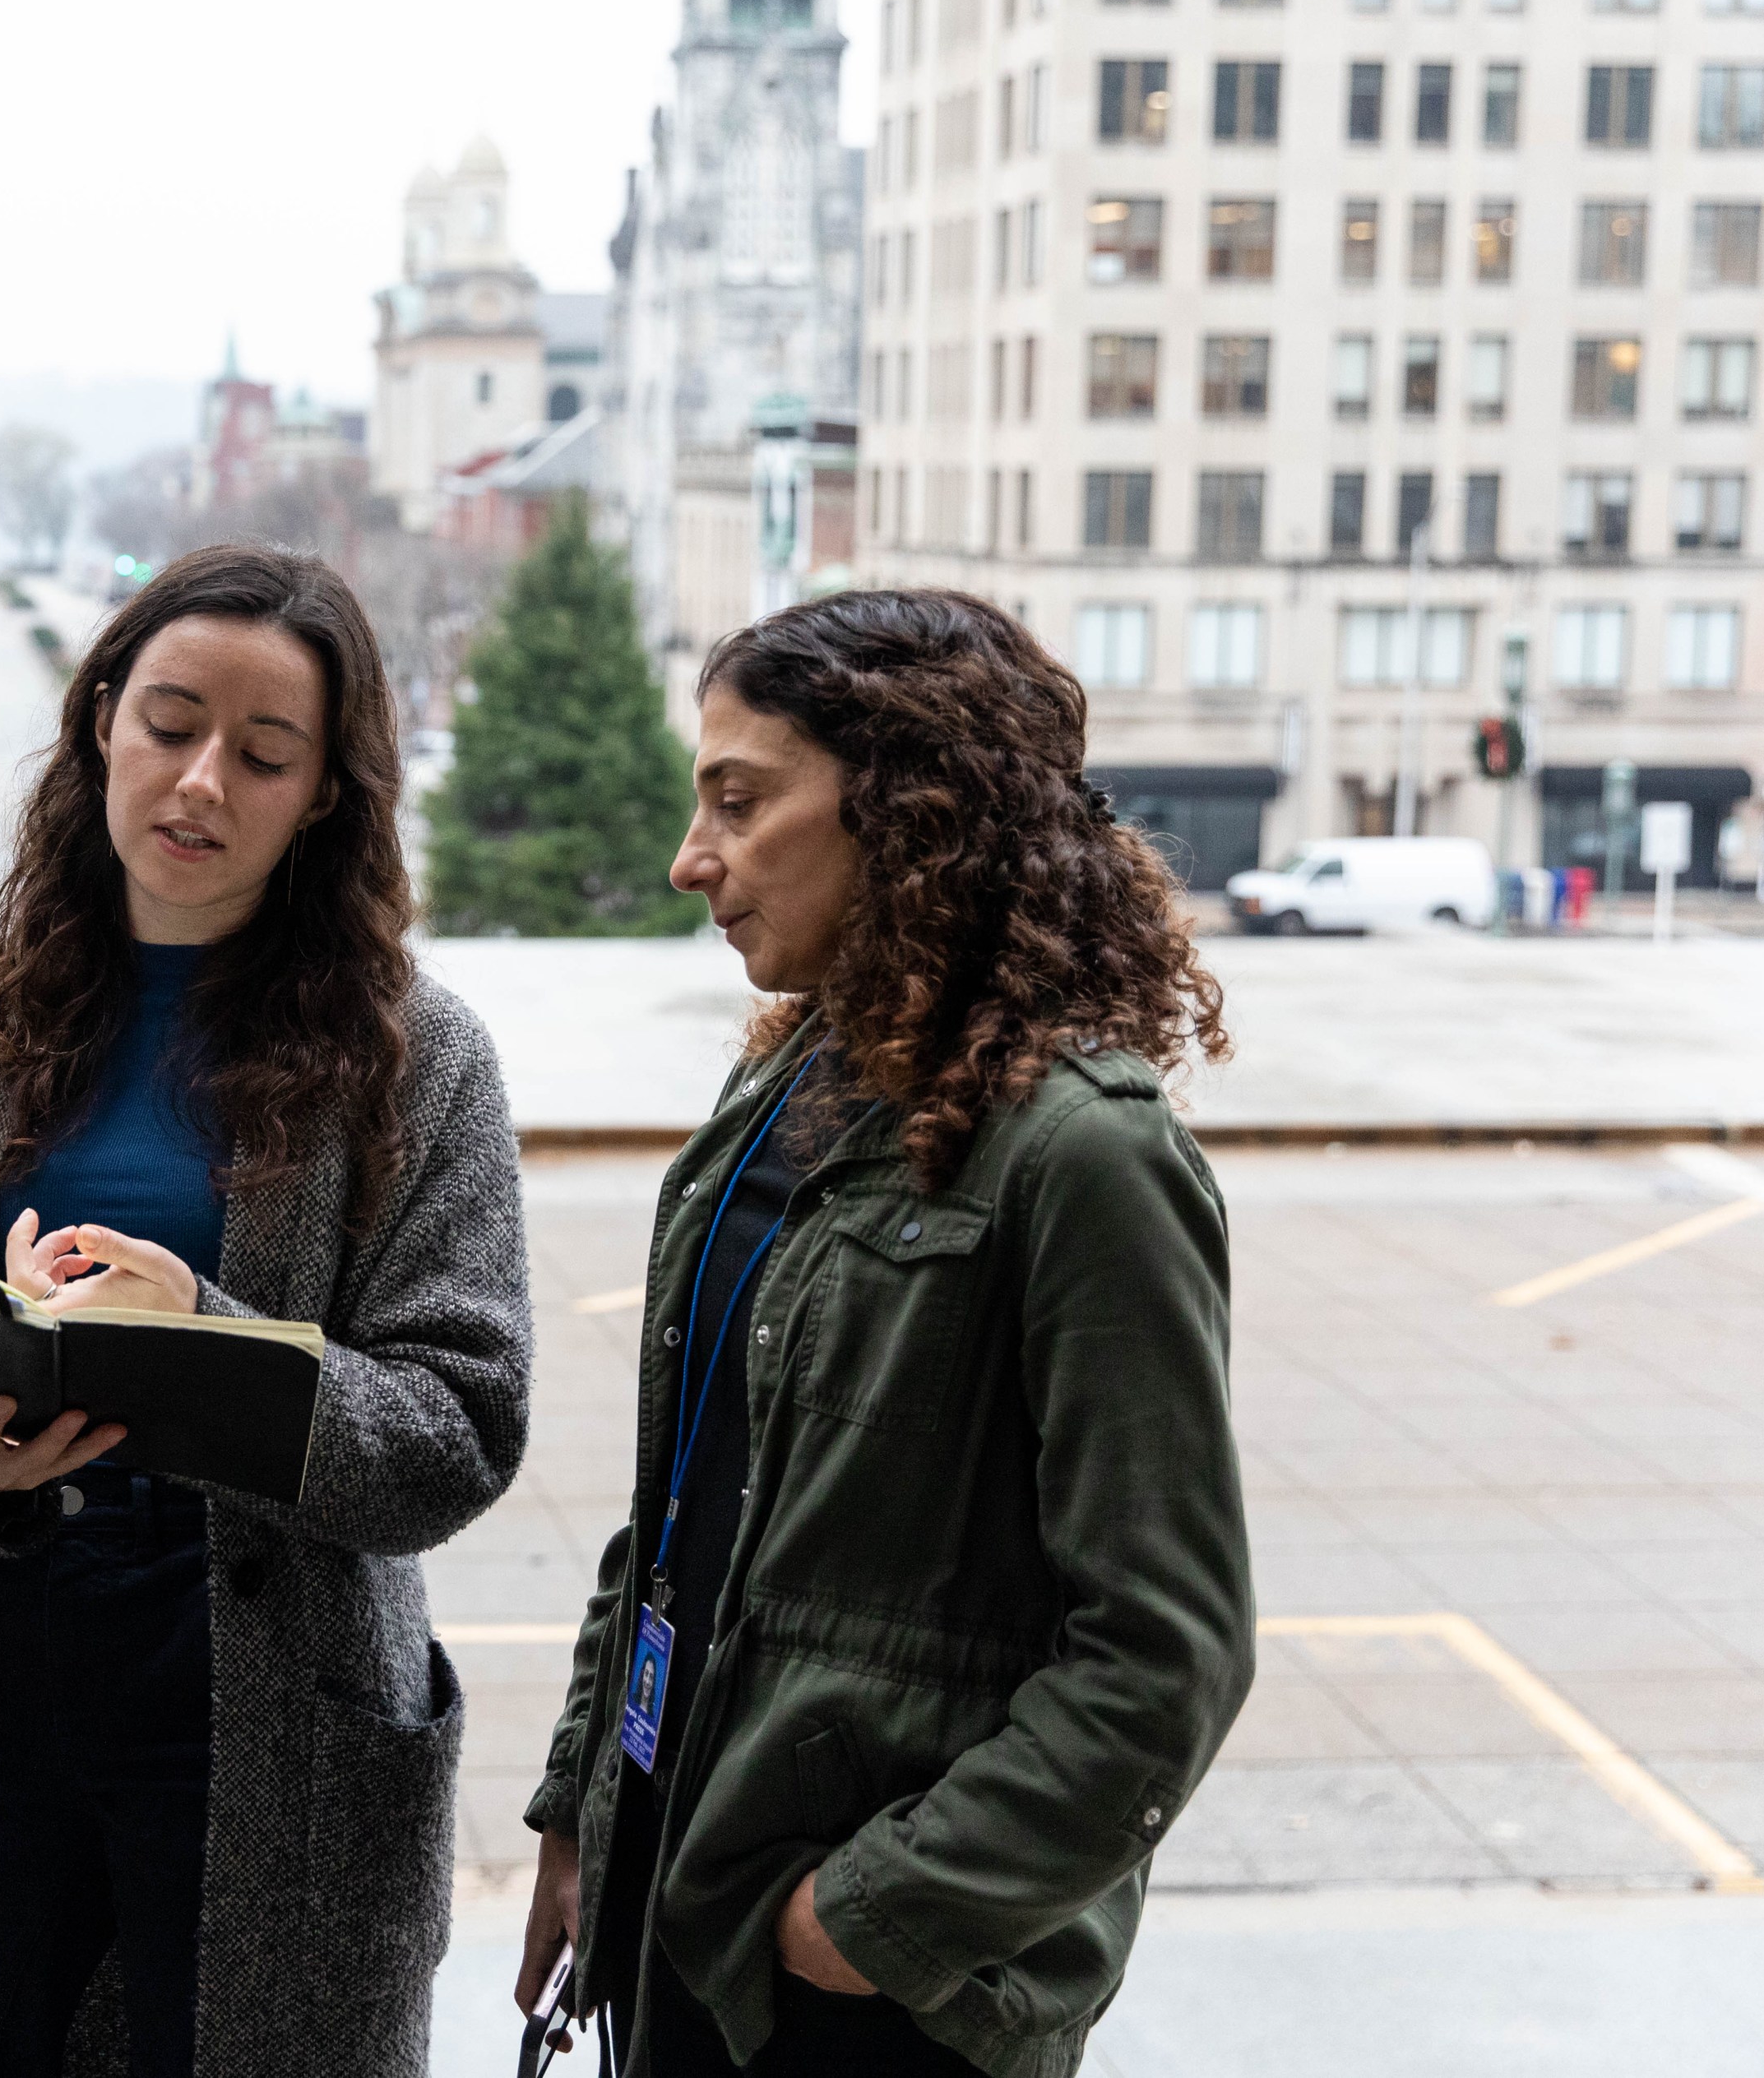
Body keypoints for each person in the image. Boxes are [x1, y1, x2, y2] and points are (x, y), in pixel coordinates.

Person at [0, 546, 535, 2078]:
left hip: (268, 1699)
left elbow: (463, 1424)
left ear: (323, 796)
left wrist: (213, 1344)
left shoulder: (417, 1058)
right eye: (168, 722)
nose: (199, 782)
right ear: (100, 717)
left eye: (262, 754)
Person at [515, 589, 1255, 2076]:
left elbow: (1163, 1656)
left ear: (911, 809)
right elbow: (673, 1510)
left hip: (872, 2001)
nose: (691, 857)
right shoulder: (779, 1091)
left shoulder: (1082, 1154)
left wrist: (867, 1919)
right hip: (681, 1898)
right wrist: (585, 1808)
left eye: (740, 798)